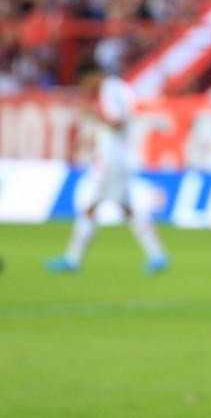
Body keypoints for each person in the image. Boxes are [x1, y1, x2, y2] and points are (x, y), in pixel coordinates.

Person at [46, 62, 168, 274]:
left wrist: (92, 114)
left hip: (112, 162)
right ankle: (158, 256)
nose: (85, 87)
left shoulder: (109, 90)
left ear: (92, 75)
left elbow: (117, 122)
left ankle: (72, 260)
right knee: (127, 209)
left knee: (91, 208)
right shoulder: (118, 87)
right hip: (119, 158)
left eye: (84, 82)